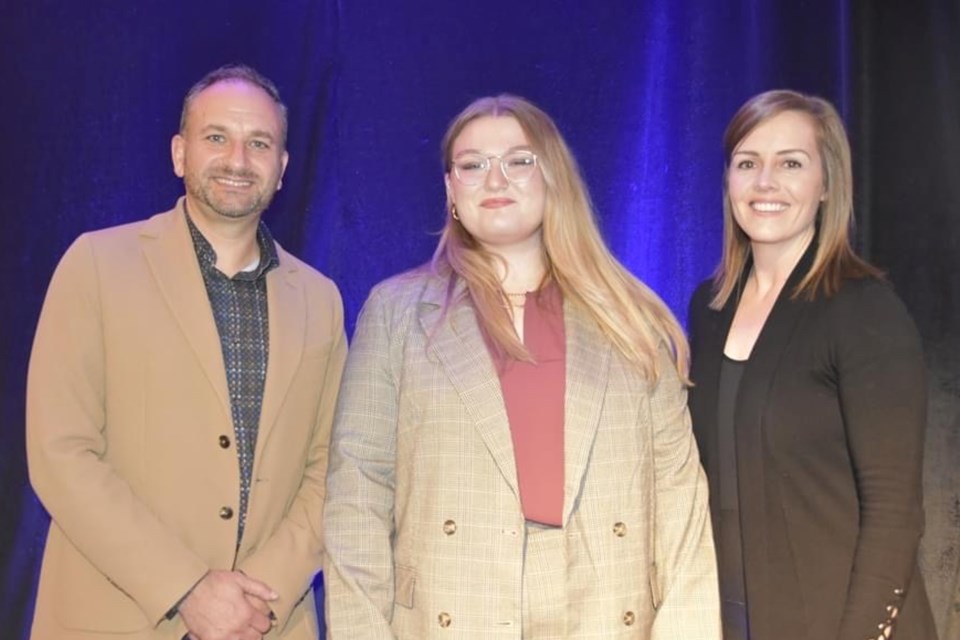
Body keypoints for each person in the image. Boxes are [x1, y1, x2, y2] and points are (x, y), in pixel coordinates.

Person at [323, 94, 719, 638]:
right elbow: (358, 496)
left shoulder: (632, 320)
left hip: (605, 614)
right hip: (453, 613)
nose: (494, 179)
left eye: (518, 160)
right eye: (472, 164)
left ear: (553, 176)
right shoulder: (396, 314)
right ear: (450, 190)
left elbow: (680, 502)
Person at [26, 64, 347, 640]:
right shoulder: (96, 266)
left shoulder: (320, 300)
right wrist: (187, 588)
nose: (237, 159)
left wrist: (258, 597)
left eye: (259, 143)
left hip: (265, 624)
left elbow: (332, 471)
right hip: (115, 618)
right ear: (180, 153)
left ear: (282, 168)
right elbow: (61, 453)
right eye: (216, 137)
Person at [687, 89, 937, 640]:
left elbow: (895, 513)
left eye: (791, 164)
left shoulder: (863, 309)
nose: (765, 183)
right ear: (728, 180)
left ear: (827, 186)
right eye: (747, 163)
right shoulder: (709, 309)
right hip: (735, 619)